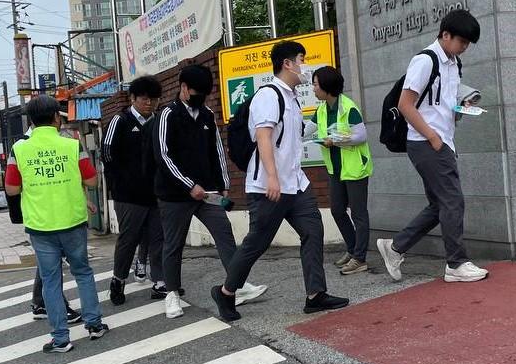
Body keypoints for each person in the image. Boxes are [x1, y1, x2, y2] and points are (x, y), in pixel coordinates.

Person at [211, 40, 350, 322]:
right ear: (287, 63)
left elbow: (291, 139)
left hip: (296, 184)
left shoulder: (291, 97)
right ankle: (226, 292)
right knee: (257, 242)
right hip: (268, 186)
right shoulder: (268, 95)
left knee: (313, 231)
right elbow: (263, 137)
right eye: (301, 59)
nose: (304, 65)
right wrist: (272, 177)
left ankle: (315, 295)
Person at [376, 10, 488, 284]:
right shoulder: (425, 61)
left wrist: (463, 107)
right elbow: (405, 105)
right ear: (445, 34)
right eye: (461, 41)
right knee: (453, 201)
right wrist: (433, 137)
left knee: (440, 205)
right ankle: (456, 263)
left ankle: (395, 247)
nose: (464, 47)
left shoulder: (453, 63)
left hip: (442, 140)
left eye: (467, 43)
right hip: (427, 142)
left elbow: (441, 102)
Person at [153, 64, 266, 319]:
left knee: (224, 232)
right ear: (183, 88)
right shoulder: (167, 115)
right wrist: (188, 185)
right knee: (173, 244)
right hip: (174, 194)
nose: (199, 97)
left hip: (207, 192)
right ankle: (171, 294)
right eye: (195, 92)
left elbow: (217, 151)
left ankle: (236, 286)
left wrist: (223, 183)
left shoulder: (206, 114)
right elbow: (162, 155)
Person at [5, 95, 108, 353]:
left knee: (51, 281)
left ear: (31, 120)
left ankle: (61, 338)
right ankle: (94, 325)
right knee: (82, 272)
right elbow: (93, 181)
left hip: (40, 226)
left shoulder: (19, 149)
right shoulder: (72, 144)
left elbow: (12, 188)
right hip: (73, 221)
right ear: (55, 119)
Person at [102, 75, 166, 304]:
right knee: (129, 239)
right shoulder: (120, 121)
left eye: (154, 99)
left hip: (157, 193)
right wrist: (119, 184)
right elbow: (107, 154)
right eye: (144, 98)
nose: (149, 103)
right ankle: (118, 279)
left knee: (159, 238)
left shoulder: (159, 120)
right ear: (133, 98)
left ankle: (160, 282)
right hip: (128, 195)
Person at [312, 66, 373, 275]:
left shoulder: (348, 107)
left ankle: (360, 258)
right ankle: (353, 248)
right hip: (335, 169)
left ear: (327, 87)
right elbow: (305, 130)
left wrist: (335, 140)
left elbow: (361, 135)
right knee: (338, 210)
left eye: (316, 84)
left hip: (355, 167)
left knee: (358, 213)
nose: (313, 88)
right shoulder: (321, 110)